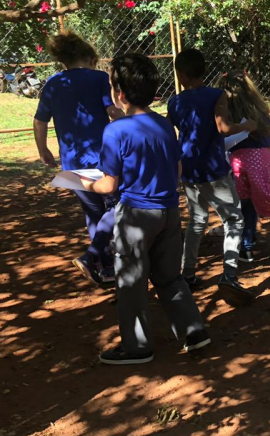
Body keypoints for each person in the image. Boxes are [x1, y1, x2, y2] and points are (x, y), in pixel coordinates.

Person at [81, 53, 209, 364]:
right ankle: (193, 331)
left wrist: (84, 183)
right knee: (170, 276)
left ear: (120, 93)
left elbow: (108, 185)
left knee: (131, 282)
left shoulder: (116, 130)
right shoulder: (164, 124)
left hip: (136, 215)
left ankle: (137, 347)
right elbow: (177, 170)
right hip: (169, 211)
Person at [168, 48, 257, 306]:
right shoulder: (216, 95)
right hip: (213, 170)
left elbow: (170, 130)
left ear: (181, 74)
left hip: (188, 169)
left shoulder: (174, 102)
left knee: (197, 220)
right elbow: (224, 127)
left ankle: (187, 273)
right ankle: (229, 275)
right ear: (203, 70)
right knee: (234, 219)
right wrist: (246, 126)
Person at [33, 31, 123, 285]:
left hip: (71, 161)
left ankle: (105, 266)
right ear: (90, 58)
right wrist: (136, 120)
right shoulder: (99, 78)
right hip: (103, 157)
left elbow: (40, 120)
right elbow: (113, 111)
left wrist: (43, 149)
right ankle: (92, 255)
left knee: (93, 212)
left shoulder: (53, 83)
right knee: (119, 204)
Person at [216, 70, 270, 262]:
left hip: (236, 162)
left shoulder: (223, 113)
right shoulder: (257, 109)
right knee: (251, 203)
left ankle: (243, 244)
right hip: (262, 158)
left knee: (240, 203)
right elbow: (268, 135)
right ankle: (248, 241)